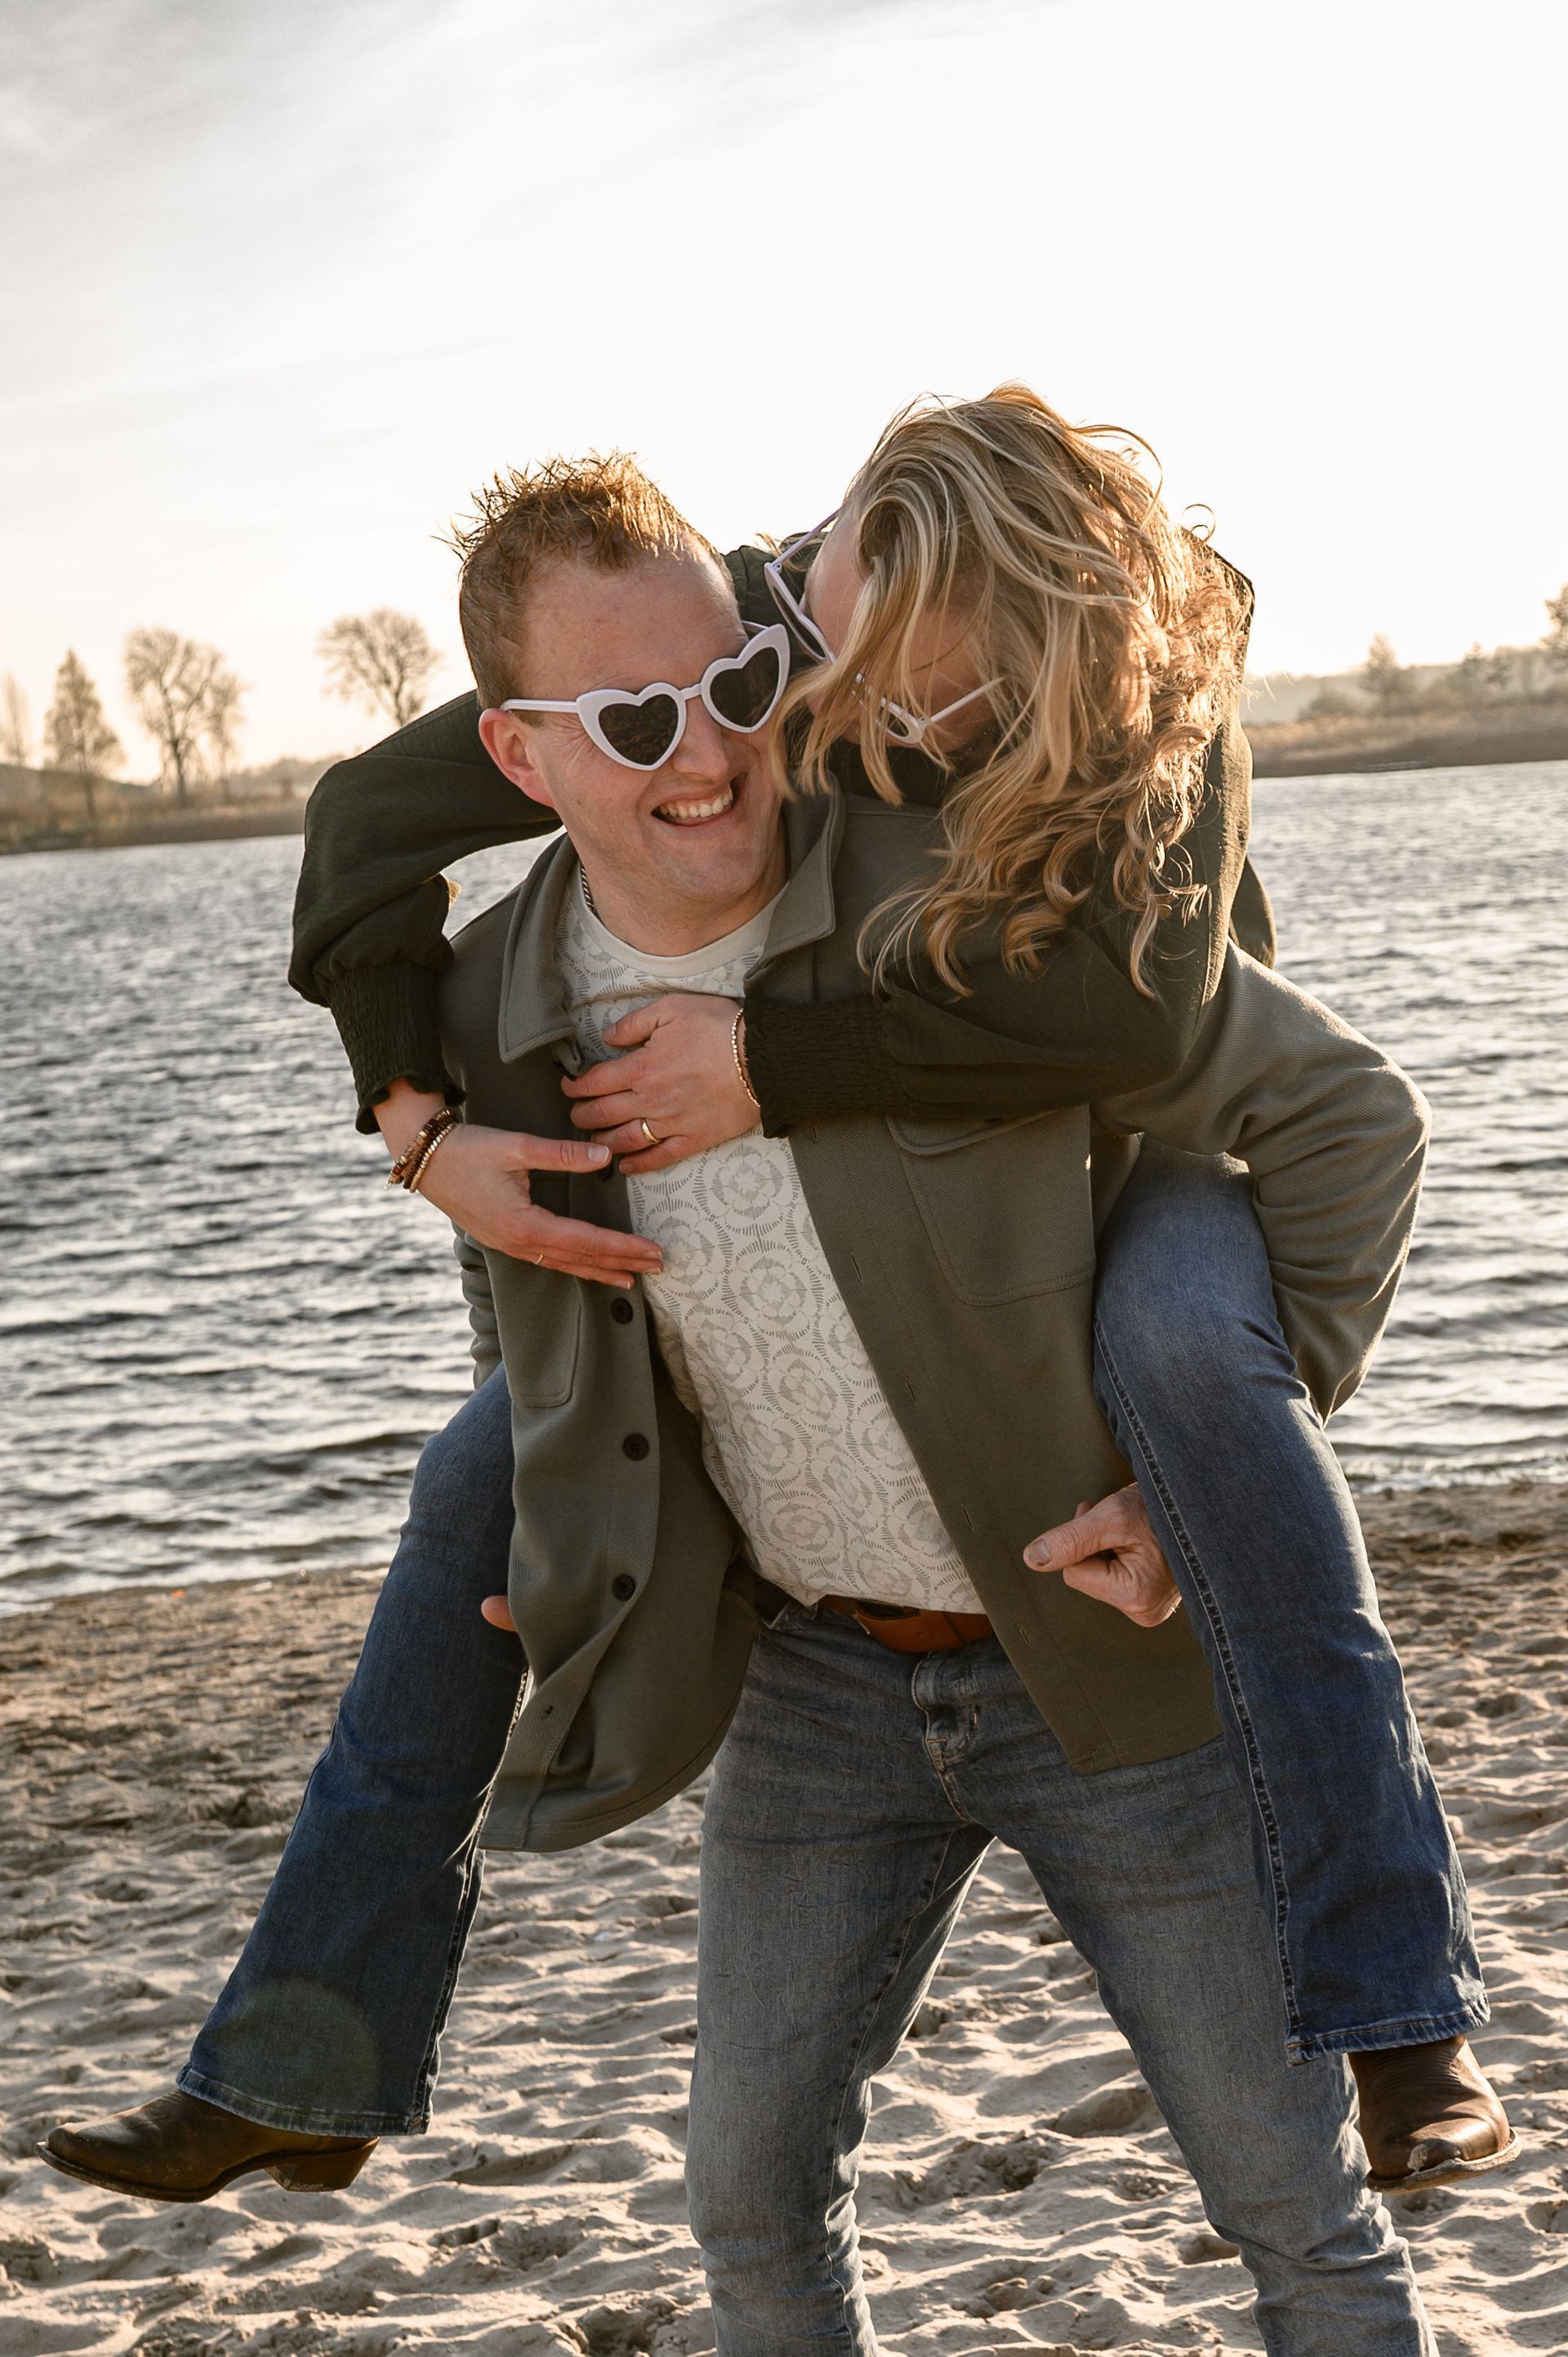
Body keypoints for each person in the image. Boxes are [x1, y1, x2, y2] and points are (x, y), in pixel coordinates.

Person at [48, 461, 1451, 2349]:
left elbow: (1332, 1110)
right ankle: (298, 2070)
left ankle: (1411, 2021)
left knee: (1297, 2209)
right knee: (745, 2205)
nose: (704, 746)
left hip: (1103, 1669)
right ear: (525, 757)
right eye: (632, 720)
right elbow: (532, 1311)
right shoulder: (491, 1011)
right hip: (815, 1686)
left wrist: (1218, 1464)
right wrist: (429, 1167)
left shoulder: (979, 898)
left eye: (733, 690)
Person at [290, 391, 1504, 2151]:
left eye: (902, 692)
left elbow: (1142, 1017)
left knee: (1198, 1380)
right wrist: (412, 1118)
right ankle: (296, 2055)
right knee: (483, 1463)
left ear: (1019, 670)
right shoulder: (780, 623)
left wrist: (774, 1064)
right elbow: (364, 820)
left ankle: (1405, 2014)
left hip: (1154, 1160)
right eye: (821, 649)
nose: (820, 721)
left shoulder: (1151, 692)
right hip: (883, 1455)